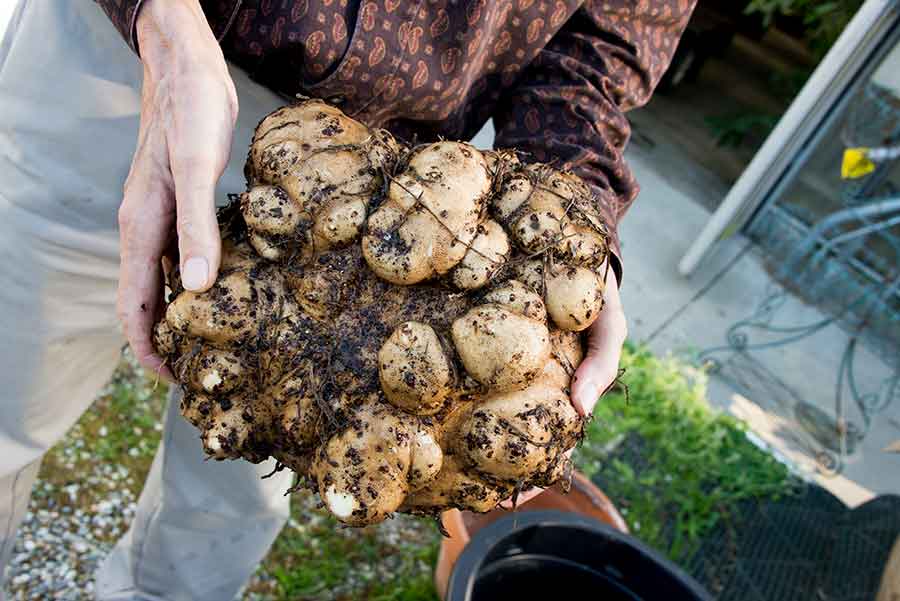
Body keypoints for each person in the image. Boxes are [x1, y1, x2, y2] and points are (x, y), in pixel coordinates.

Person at [0, 0, 694, 598]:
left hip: (385, 178)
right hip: (135, 53)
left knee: (235, 490)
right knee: (8, 391)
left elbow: (606, 40)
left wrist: (569, 224)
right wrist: (165, 28)